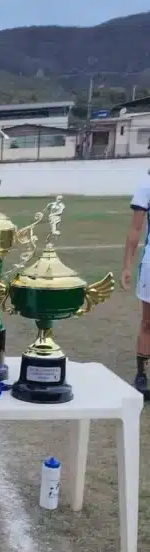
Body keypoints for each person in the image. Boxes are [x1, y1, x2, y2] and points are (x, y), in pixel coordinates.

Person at [122, 171, 150, 399]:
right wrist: (127, 266)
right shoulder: (146, 187)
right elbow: (135, 230)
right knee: (148, 321)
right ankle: (141, 374)